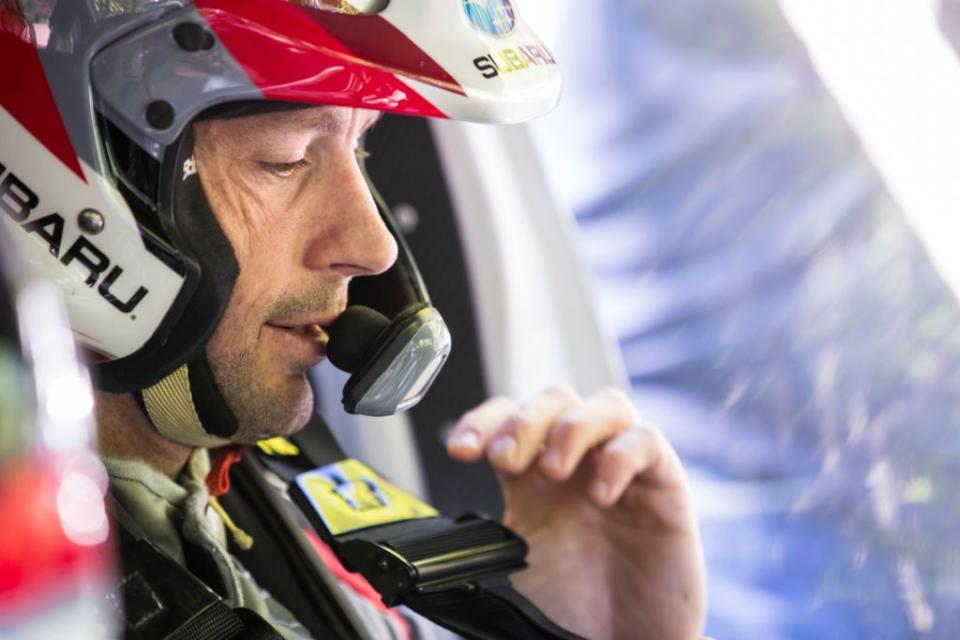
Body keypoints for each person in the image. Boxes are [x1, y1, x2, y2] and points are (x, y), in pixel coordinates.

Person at [1, 1, 705, 638]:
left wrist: (592, 630)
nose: (371, 247)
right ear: (58, 190)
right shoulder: (36, 594)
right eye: (281, 161)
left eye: (361, 147)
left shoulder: (258, 485)